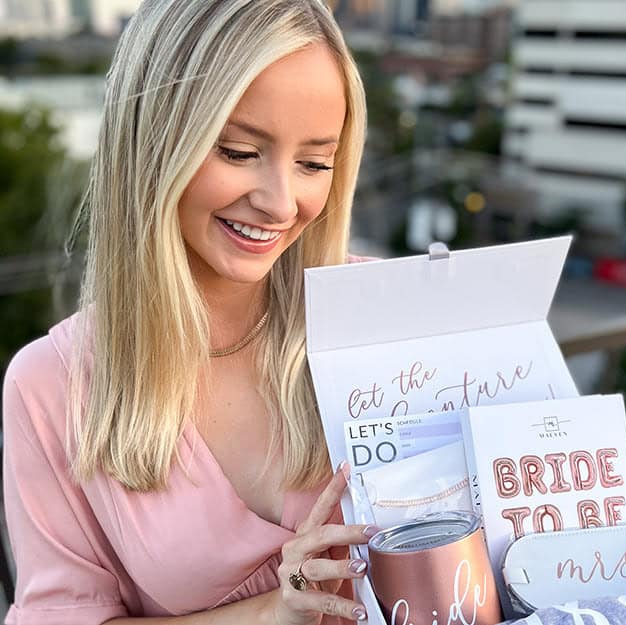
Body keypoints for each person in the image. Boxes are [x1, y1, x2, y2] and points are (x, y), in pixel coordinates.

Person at [1, 1, 375, 623]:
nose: (281, 202)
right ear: (154, 142)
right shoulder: (51, 387)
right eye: (236, 151)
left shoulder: (387, 317)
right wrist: (271, 614)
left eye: (314, 163)